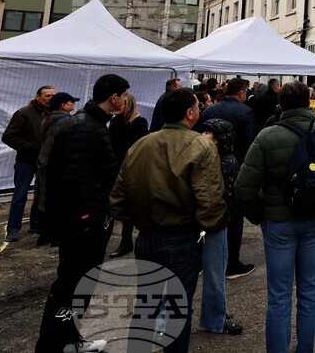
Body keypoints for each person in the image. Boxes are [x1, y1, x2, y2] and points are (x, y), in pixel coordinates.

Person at [235, 81, 315, 353]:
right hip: (314, 220)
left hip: (278, 223)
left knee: (279, 296)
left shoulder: (267, 136)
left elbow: (244, 187)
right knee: (310, 291)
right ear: (310, 102)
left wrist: (260, 216)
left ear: (281, 106)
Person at [110, 86, 227, 353]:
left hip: (147, 237)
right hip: (182, 237)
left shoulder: (141, 145)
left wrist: (141, 218)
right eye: (197, 106)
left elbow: (117, 200)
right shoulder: (200, 145)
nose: (199, 110)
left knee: (146, 304)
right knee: (177, 308)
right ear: (190, 113)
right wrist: (204, 227)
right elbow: (210, 201)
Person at [37, 74, 127, 353]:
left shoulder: (91, 124)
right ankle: (56, 343)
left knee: (79, 283)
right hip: (82, 223)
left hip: (84, 219)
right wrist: (89, 216)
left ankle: (69, 339)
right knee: (71, 284)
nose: (125, 100)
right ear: (113, 97)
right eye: (124, 95)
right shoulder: (86, 128)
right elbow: (75, 179)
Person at [201, 77, 258, 279]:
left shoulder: (209, 110)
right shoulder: (245, 111)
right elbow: (252, 143)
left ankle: (205, 258)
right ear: (242, 93)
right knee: (234, 217)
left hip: (209, 168)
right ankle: (232, 263)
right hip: (236, 169)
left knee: (208, 212)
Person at [194, 118, 244, 337]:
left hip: (214, 223)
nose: (204, 135)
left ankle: (215, 319)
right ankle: (213, 318)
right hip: (206, 223)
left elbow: (226, 195)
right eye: (203, 130)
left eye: (209, 132)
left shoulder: (227, 161)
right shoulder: (201, 154)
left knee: (214, 274)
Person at [2, 84, 54, 241]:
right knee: (20, 194)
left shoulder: (51, 113)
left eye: (53, 95)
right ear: (37, 97)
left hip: (44, 161)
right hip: (26, 161)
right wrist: (30, 148)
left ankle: (36, 224)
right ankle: (13, 229)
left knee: (41, 194)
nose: (50, 98)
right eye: (47, 96)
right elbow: (8, 136)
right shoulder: (24, 113)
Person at [107, 92, 149, 258]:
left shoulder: (138, 122)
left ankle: (127, 240)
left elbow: (140, 147)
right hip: (116, 167)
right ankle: (124, 240)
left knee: (131, 205)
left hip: (131, 168)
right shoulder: (115, 121)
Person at [35, 92, 80, 247]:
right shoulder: (66, 121)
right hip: (55, 165)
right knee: (56, 201)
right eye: (71, 101)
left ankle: (45, 234)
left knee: (44, 199)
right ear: (63, 105)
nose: (73, 104)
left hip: (43, 163)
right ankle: (53, 236)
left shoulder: (47, 118)